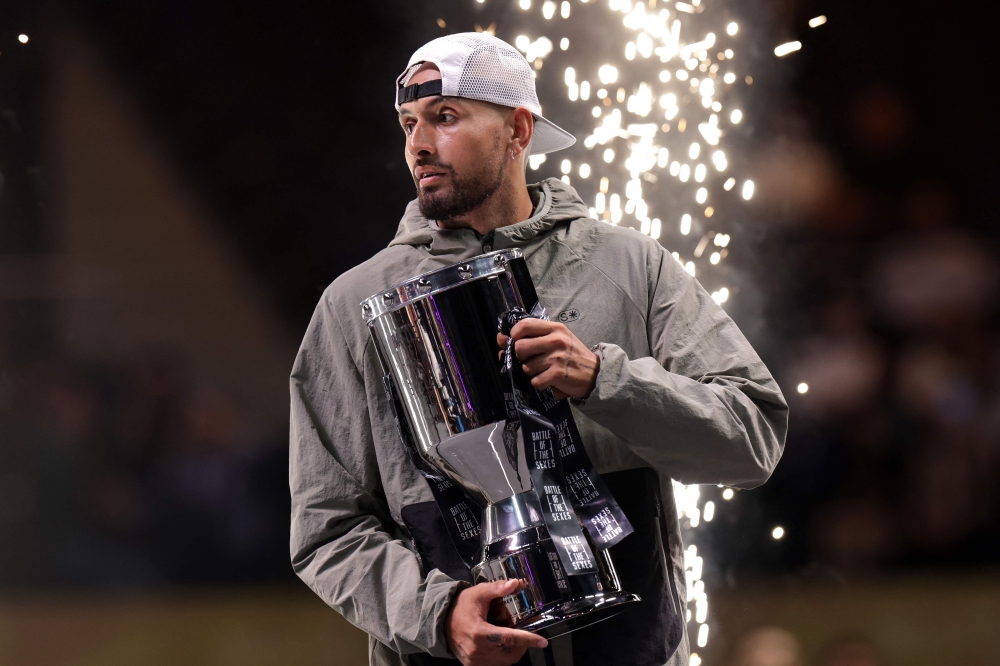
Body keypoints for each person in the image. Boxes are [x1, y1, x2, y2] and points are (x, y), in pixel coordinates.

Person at [289, 32, 788, 666]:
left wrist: (607, 381)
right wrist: (438, 614)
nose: (418, 144)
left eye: (445, 118)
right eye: (409, 123)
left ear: (519, 131)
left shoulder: (630, 266)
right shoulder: (351, 305)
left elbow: (753, 442)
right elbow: (325, 529)